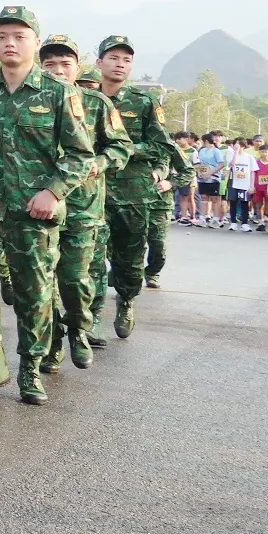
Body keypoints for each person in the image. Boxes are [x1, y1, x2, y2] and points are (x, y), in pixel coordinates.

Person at [0, 6, 95, 406]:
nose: (9, 43)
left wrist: (54, 192)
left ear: (35, 43)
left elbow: (81, 155)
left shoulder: (59, 93)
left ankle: (30, 366)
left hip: (34, 210)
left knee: (35, 292)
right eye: (2, 36)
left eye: (19, 36)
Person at [35, 38, 130, 375]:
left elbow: (121, 147)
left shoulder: (96, 102)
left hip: (82, 209)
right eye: (50, 65)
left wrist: (99, 163)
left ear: (78, 67)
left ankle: (77, 328)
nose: (58, 71)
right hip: (40, 208)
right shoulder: (29, 100)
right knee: (42, 283)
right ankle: (52, 342)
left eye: (65, 64)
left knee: (74, 280)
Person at [95, 35, 187, 340]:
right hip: (92, 190)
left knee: (129, 258)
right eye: (113, 58)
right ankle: (92, 313)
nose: (120, 64)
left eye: (126, 59)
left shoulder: (144, 102)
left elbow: (161, 146)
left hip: (132, 193)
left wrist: (126, 150)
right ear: (99, 63)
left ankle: (126, 301)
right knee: (90, 255)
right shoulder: (85, 99)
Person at [193, 131, 225, 227]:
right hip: (202, 178)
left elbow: (221, 164)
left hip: (213, 178)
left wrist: (210, 173)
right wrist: (199, 172)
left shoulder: (216, 151)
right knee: (203, 197)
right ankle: (202, 218)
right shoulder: (202, 151)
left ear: (206, 140)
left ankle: (215, 219)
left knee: (215, 198)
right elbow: (199, 163)